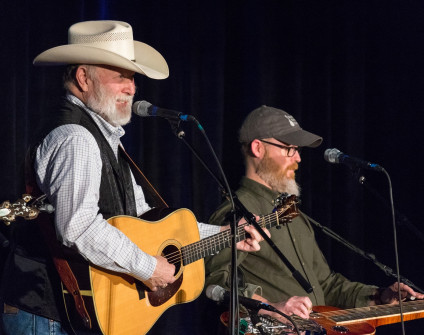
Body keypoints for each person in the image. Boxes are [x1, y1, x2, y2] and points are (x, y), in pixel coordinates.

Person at [0, 20, 267, 335]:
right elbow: (78, 227)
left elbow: (144, 219)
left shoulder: (102, 137)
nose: (131, 87)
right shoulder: (77, 138)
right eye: (120, 77)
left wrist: (223, 233)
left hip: (69, 313)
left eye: (132, 78)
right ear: (84, 77)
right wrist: (149, 267)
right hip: (46, 313)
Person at [204, 105, 424, 323]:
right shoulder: (236, 212)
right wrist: (272, 308)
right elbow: (218, 284)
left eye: (298, 150)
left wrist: (380, 296)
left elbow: (325, 285)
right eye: (289, 148)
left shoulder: (291, 214)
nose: (298, 158)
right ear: (258, 148)